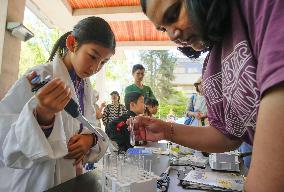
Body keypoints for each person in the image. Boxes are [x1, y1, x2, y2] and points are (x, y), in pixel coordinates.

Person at [134, 1, 284, 191]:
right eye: (164, 29)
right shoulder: (212, 61)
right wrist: (165, 130)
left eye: (173, 14)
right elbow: (226, 135)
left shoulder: (260, 6)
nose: (173, 35)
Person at [0, 16, 115, 192]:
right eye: (92, 56)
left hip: (71, 181)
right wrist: (42, 116)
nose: (95, 68)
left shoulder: (85, 87)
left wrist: (90, 140)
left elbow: (91, 126)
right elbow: (4, 135)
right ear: (72, 44)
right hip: (37, 181)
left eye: (103, 62)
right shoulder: (38, 77)